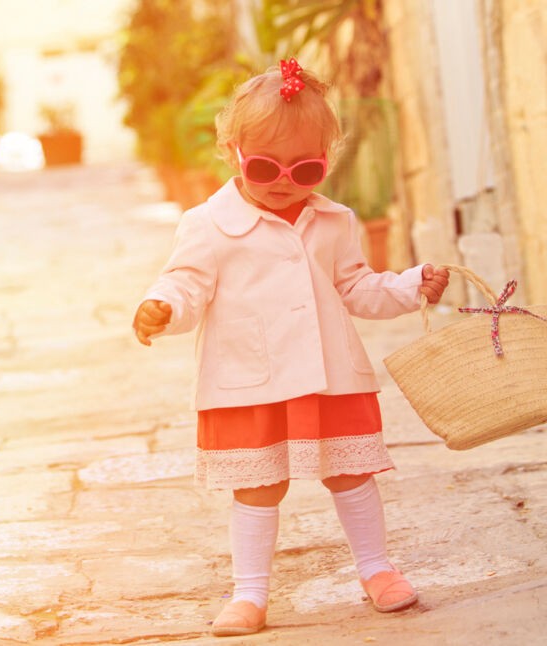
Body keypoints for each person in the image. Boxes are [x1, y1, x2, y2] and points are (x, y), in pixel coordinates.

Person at [132, 59, 449, 637]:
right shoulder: (207, 225)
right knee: (258, 484)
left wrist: (408, 285)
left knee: (350, 473)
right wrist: (164, 307)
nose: (284, 180)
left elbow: (356, 286)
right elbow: (185, 283)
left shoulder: (334, 221)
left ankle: (376, 568)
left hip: (329, 374)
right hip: (249, 380)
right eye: (263, 166)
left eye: (306, 168)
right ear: (231, 152)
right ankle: (250, 592)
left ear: (327, 161)